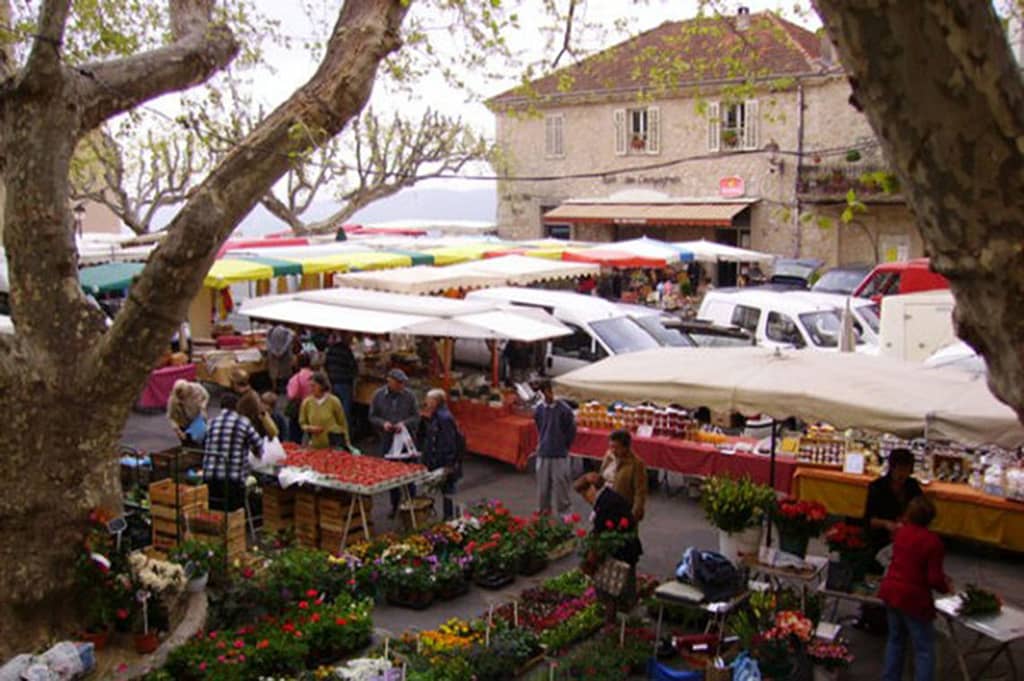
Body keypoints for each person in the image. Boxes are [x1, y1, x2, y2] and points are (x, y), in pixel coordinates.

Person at [878, 496, 951, 681]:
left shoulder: (901, 534)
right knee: (924, 648)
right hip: (914, 598)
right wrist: (946, 587)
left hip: (891, 590)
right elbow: (933, 578)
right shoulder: (933, 542)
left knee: (895, 640)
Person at [573, 472, 643, 620]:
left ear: (592, 489)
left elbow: (601, 534)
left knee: (616, 588)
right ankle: (621, 615)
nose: (585, 500)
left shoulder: (605, 504)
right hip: (626, 547)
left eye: (584, 495)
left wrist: (591, 559)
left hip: (623, 551)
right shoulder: (607, 496)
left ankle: (620, 619)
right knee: (622, 586)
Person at [369, 368, 420, 517]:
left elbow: (416, 417)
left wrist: (404, 424)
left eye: (402, 383)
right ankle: (395, 505)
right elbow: (372, 416)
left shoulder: (409, 396)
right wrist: (383, 424)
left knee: (409, 474)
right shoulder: (378, 396)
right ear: (389, 381)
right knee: (392, 476)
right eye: (398, 383)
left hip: (406, 441)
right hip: (387, 440)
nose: (401, 386)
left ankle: (412, 504)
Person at [203, 392, 263, 512]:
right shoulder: (243, 422)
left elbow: (205, 444)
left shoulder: (211, 423)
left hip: (209, 479)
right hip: (232, 481)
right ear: (236, 406)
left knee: (216, 511)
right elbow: (260, 447)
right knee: (234, 512)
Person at [865, 448, 924, 555]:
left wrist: (907, 520)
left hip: (907, 534)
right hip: (881, 536)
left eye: (906, 470)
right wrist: (886, 524)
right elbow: (869, 520)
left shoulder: (912, 485)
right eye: (899, 469)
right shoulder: (877, 486)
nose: (902, 474)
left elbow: (920, 511)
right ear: (892, 468)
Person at [534, 379, 576, 514]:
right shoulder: (539, 409)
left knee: (561, 486)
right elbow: (539, 427)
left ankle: (565, 513)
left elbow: (570, 431)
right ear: (544, 392)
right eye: (549, 391)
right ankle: (544, 510)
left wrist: (564, 446)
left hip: (559, 453)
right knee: (543, 488)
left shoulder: (565, 410)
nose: (552, 394)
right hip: (543, 452)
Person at [420, 388, 462, 520]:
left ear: (435, 401)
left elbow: (449, 442)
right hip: (437, 460)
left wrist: (449, 464)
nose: (426, 402)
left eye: (428, 399)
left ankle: (448, 518)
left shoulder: (443, 418)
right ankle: (440, 517)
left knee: (447, 491)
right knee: (440, 490)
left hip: (443, 462)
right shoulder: (437, 416)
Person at [599, 429, 647, 523]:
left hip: (621, 509)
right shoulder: (609, 456)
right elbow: (602, 476)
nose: (613, 450)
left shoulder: (636, 464)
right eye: (611, 447)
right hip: (603, 504)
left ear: (626, 448)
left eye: (616, 448)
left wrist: (635, 514)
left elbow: (640, 492)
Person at [299, 372, 350, 449]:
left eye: (314, 386)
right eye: (310, 386)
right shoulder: (306, 403)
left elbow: (342, 423)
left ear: (322, 386)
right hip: (314, 444)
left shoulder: (334, 401)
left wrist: (347, 442)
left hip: (333, 444)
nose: (311, 389)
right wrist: (310, 428)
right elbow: (302, 423)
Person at [325, 331, 358, 427]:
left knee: (335, 410)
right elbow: (354, 368)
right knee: (344, 412)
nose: (351, 340)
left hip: (333, 383)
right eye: (350, 337)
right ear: (346, 337)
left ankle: (335, 432)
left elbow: (326, 365)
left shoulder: (332, 349)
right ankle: (344, 434)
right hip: (344, 383)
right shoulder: (346, 350)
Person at [166, 379, 209, 447]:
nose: (182, 399)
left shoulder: (197, 388)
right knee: (187, 444)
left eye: (184, 396)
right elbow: (171, 417)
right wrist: (178, 431)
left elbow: (206, 396)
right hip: (183, 424)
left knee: (203, 441)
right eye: (180, 397)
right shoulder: (173, 400)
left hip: (197, 420)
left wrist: (203, 406)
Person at [286, 353, 315, 444]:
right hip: (314, 408)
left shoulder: (295, 378)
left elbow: (292, 395)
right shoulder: (315, 376)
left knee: (295, 437)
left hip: (299, 409)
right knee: (314, 436)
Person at [231, 369, 266, 438]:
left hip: (251, 433)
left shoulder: (246, 399)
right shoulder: (252, 393)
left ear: (235, 383)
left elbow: (239, 419)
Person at [266, 324, 296, 393]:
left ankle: (275, 387)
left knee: (274, 372)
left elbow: (268, 343)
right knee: (285, 372)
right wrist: (282, 352)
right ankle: (287, 387)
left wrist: (274, 352)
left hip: (273, 355)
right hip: (285, 355)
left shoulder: (270, 331)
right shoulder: (289, 332)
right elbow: (288, 342)